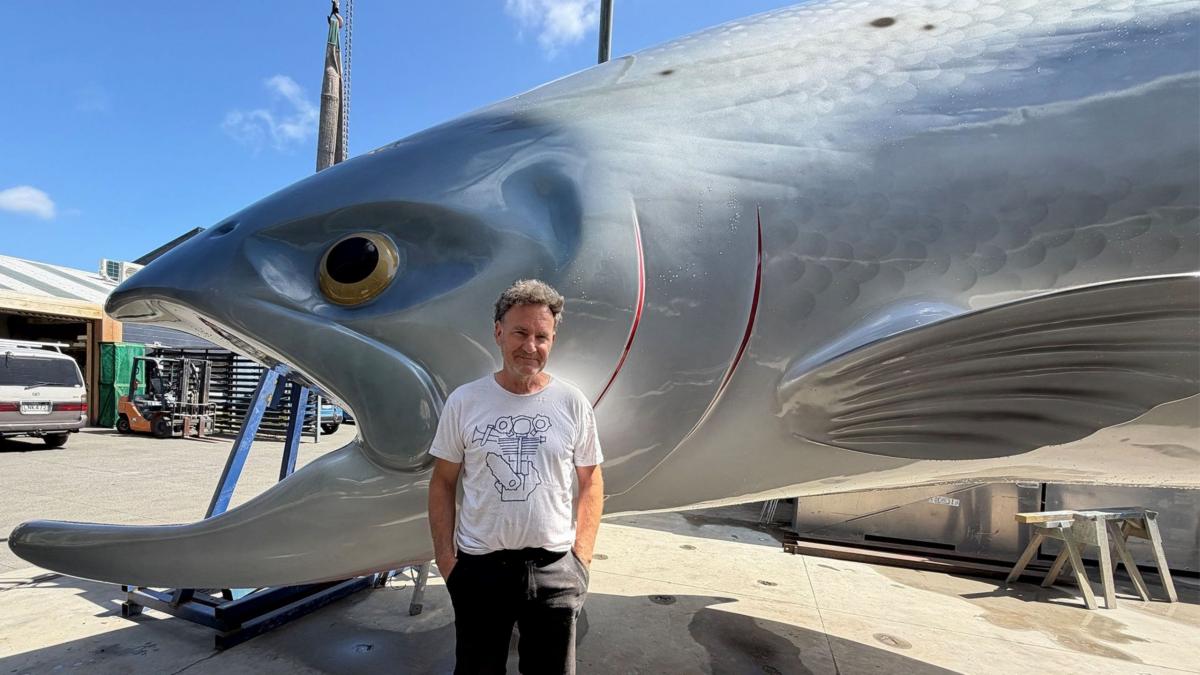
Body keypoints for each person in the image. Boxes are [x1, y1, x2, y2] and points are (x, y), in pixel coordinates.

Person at [428, 278, 604, 675]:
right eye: (521, 332)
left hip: (554, 571)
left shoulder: (571, 403)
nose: (530, 346)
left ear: (553, 339)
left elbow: (591, 480)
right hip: (480, 570)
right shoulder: (465, 402)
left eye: (542, 336)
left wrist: (582, 559)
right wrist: (446, 559)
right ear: (498, 332)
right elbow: (442, 481)